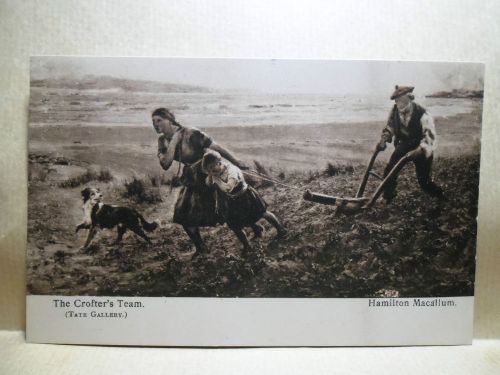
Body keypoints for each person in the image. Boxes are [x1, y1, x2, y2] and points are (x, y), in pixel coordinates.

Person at [152, 107, 248, 256]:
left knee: (228, 209)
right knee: (183, 214)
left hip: (209, 173)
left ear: (170, 119)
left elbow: (216, 147)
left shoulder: (191, 133)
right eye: (154, 122)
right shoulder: (162, 141)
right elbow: (165, 164)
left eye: (159, 120)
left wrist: (236, 161)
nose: (156, 124)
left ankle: (250, 238)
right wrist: (174, 141)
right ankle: (201, 248)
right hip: (192, 178)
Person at [202, 150, 287, 251]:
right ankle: (247, 245)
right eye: (209, 170)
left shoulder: (232, 171)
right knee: (235, 225)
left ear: (219, 163)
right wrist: (211, 178)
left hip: (245, 196)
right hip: (232, 200)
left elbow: (228, 188)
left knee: (262, 213)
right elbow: (208, 181)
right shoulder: (215, 172)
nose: (211, 172)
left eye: (212, 168)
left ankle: (281, 229)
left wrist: (217, 181)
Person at [377, 85, 445, 203]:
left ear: (408, 99)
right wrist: (384, 139)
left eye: (400, 100)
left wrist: (419, 150)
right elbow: (390, 127)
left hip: (421, 146)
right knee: (390, 169)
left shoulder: (422, 113)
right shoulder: (395, 110)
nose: (398, 104)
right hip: (404, 144)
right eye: (396, 101)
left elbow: (430, 137)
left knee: (424, 181)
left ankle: (441, 197)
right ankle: (388, 196)